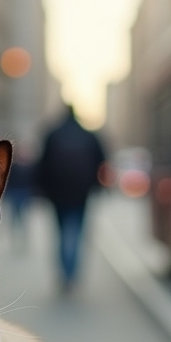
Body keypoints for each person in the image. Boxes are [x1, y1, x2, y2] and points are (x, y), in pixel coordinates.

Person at [36, 105, 107, 292]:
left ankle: (65, 273)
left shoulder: (53, 134)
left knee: (61, 233)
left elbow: (42, 164)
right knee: (75, 232)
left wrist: (42, 190)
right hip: (81, 194)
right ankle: (71, 274)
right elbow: (102, 162)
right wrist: (96, 186)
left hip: (57, 194)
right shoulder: (89, 135)